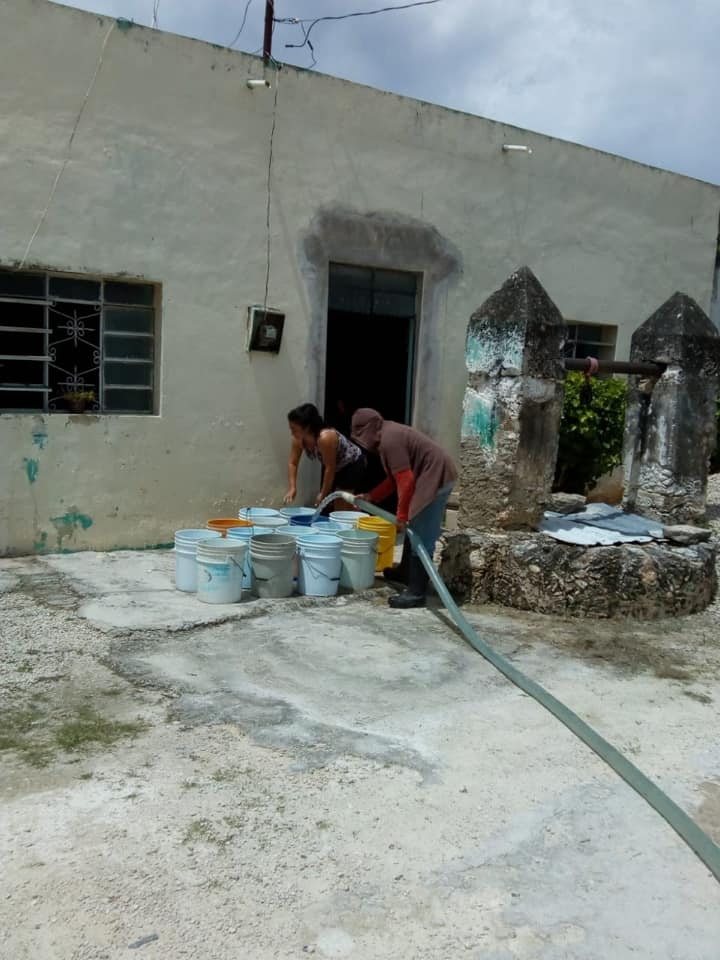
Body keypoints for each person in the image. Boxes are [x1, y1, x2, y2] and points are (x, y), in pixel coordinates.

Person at [352, 408, 457, 610]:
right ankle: (406, 572)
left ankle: (417, 592)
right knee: (415, 524)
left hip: (436, 475)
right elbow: (394, 480)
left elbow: (406, 480)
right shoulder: (387, 437)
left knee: (423, 534)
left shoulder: (390, 440)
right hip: (426, 474)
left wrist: (401, 515)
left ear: (370, 429)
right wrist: (371, 496)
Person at [284, 403, 367, 509]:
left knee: (340, 504)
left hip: (352, 464)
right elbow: (293, 463)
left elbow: (330, 468)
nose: (292, 432)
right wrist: (292, 487)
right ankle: (356, 518)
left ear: (307, 428)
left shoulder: (325, 438)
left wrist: (323, 493)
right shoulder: (298, 439)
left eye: (294, 429)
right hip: (336, 466)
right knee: (340, 504)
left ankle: (359, 521)